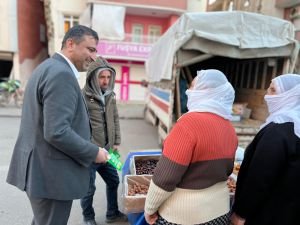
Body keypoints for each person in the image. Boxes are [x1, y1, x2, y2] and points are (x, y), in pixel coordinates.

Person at [6, 25, 109, 225]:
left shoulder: (47, 67)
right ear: (70, 44)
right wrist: (93, 152)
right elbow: (57, 131)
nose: (94, 57)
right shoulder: (61, 74)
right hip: (51, 176)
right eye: (90, 49)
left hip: (41, 172)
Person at [144, 69, 238, 225]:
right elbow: (227, 171)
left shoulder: (187, 124)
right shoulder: (229, 127)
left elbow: (166, 177)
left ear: (205, 91)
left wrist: (149, 208)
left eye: (193, 86)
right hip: (219, 213)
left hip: (184, 217)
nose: (188, 90)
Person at [230, 74, 300, 225]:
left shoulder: (277, 131)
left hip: (268, 214)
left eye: (273, 90)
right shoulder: (295, 127)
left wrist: (241, 213)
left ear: (290, 96)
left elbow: (259, 178)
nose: (267, 93)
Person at [80, 56, 127, 225]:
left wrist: (116, 142)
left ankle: (112, 213)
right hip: (90, 152)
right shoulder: (82, 97)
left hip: (108, 151)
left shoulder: (110, 95)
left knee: (114, 181)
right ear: (93, 77)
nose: (106, 81)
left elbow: (115, 118)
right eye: (102, 77)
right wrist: (90, 149)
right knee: (88, 189)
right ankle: (88, 218)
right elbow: (77, 126)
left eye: (108, 77)